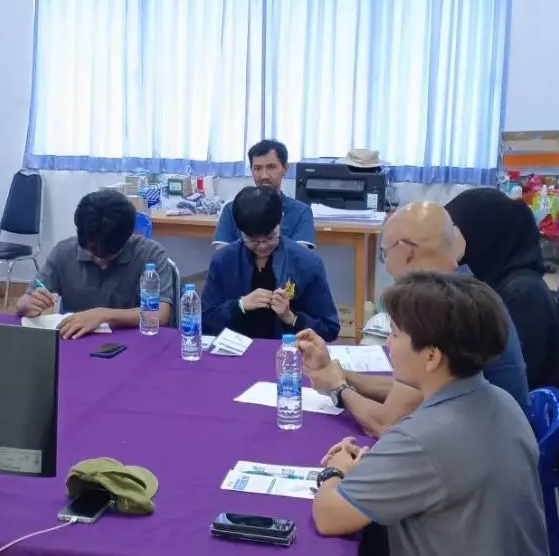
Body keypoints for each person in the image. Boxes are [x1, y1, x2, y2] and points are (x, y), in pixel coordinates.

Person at [311, 272, 548, 556]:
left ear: (432, 356)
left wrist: (336, 471)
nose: (389, 346)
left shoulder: (426, 435)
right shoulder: (498, 400)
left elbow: (329, 517)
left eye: (394, 335)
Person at [297, 201, 530, 435]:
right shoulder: (467, 291)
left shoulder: (439, 308)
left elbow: (385, 423)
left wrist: (338, 388)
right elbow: (411, 389)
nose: (386, 266)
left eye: (384, 253)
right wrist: (337, 372)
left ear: (406, 251)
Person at [444, 187, 559, 391]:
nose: (447, 240)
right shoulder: (491, 278)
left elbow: (510, 380)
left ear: (482, 232)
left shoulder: (524, 292)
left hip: (513, 413)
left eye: (453, 229)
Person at [16, 189, 174, 339]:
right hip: (79, 344)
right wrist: (30, 304)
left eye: (109, 256)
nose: (101, 263)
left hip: (135, 344)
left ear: (127, 236)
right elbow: (23, 303)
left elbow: (161, 315)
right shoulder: (63, 252)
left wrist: (102, 315)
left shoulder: (149, 253)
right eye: (92, 254)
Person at [202, 186, 340, 340]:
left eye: (269, 237)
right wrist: (239, 306)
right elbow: (204, 320)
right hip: (233, 352)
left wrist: (291, 318)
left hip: (287, 352)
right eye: (252, 239)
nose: (262, 245)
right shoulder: (223, 261)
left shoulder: (306, 263)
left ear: (280, 221)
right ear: (239, 230)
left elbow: (330, 328)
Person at [213, 139, 315, 247]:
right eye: (257, 168)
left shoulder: (301, 212)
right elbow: (223, 254)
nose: (264, 176)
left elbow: (299, 258)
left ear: (285, 169)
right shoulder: (231, 209)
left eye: (271, 167)